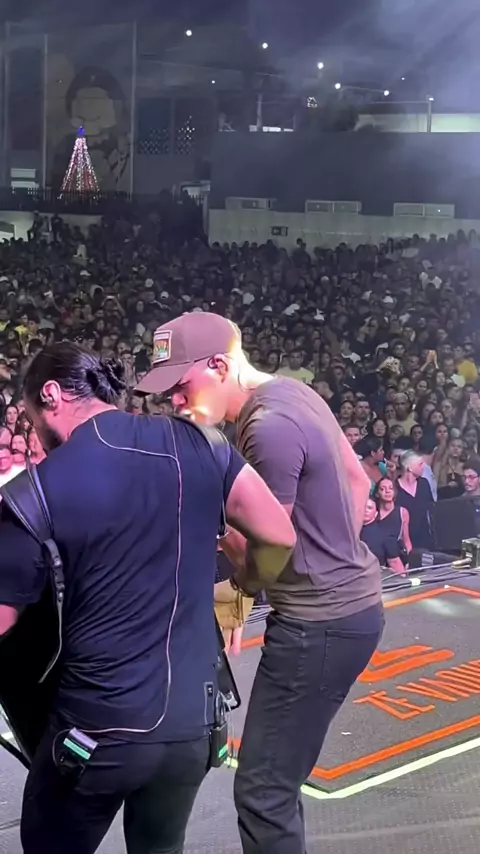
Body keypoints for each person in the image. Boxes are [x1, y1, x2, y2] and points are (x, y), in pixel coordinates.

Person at [0, 341, 296, 854]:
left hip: (94, 736)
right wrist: (244, 587)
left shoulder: (34, 491)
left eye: (32, 417)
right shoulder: (201, 444)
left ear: (50, 394)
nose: (36, 433)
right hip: (193, 727)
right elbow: (278, 535)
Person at [136, 312, 384, 854]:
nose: (175, 401)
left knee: (263, 793)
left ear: (218, 365)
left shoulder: (265, 426)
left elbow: (271, 542)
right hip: (353, 606)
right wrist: (333, 553)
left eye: (181, 385)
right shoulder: (294, 392)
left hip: (316, 627)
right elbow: (357, 481)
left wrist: (243, 586)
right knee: (278, 782)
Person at [395, 450, 434, 549]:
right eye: (420, 464)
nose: (423, 466)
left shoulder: (424, 484)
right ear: (409, 468)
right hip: (402, 543)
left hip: (425, 540)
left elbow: (432, 509)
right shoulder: (394, 488)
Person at [360, 498, 406, 575]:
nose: (365, 510)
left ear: (376, 513)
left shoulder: (385, 535)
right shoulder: (349, 532)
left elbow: (395, 563)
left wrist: (404, 578)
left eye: (369, 508)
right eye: (363, 507)